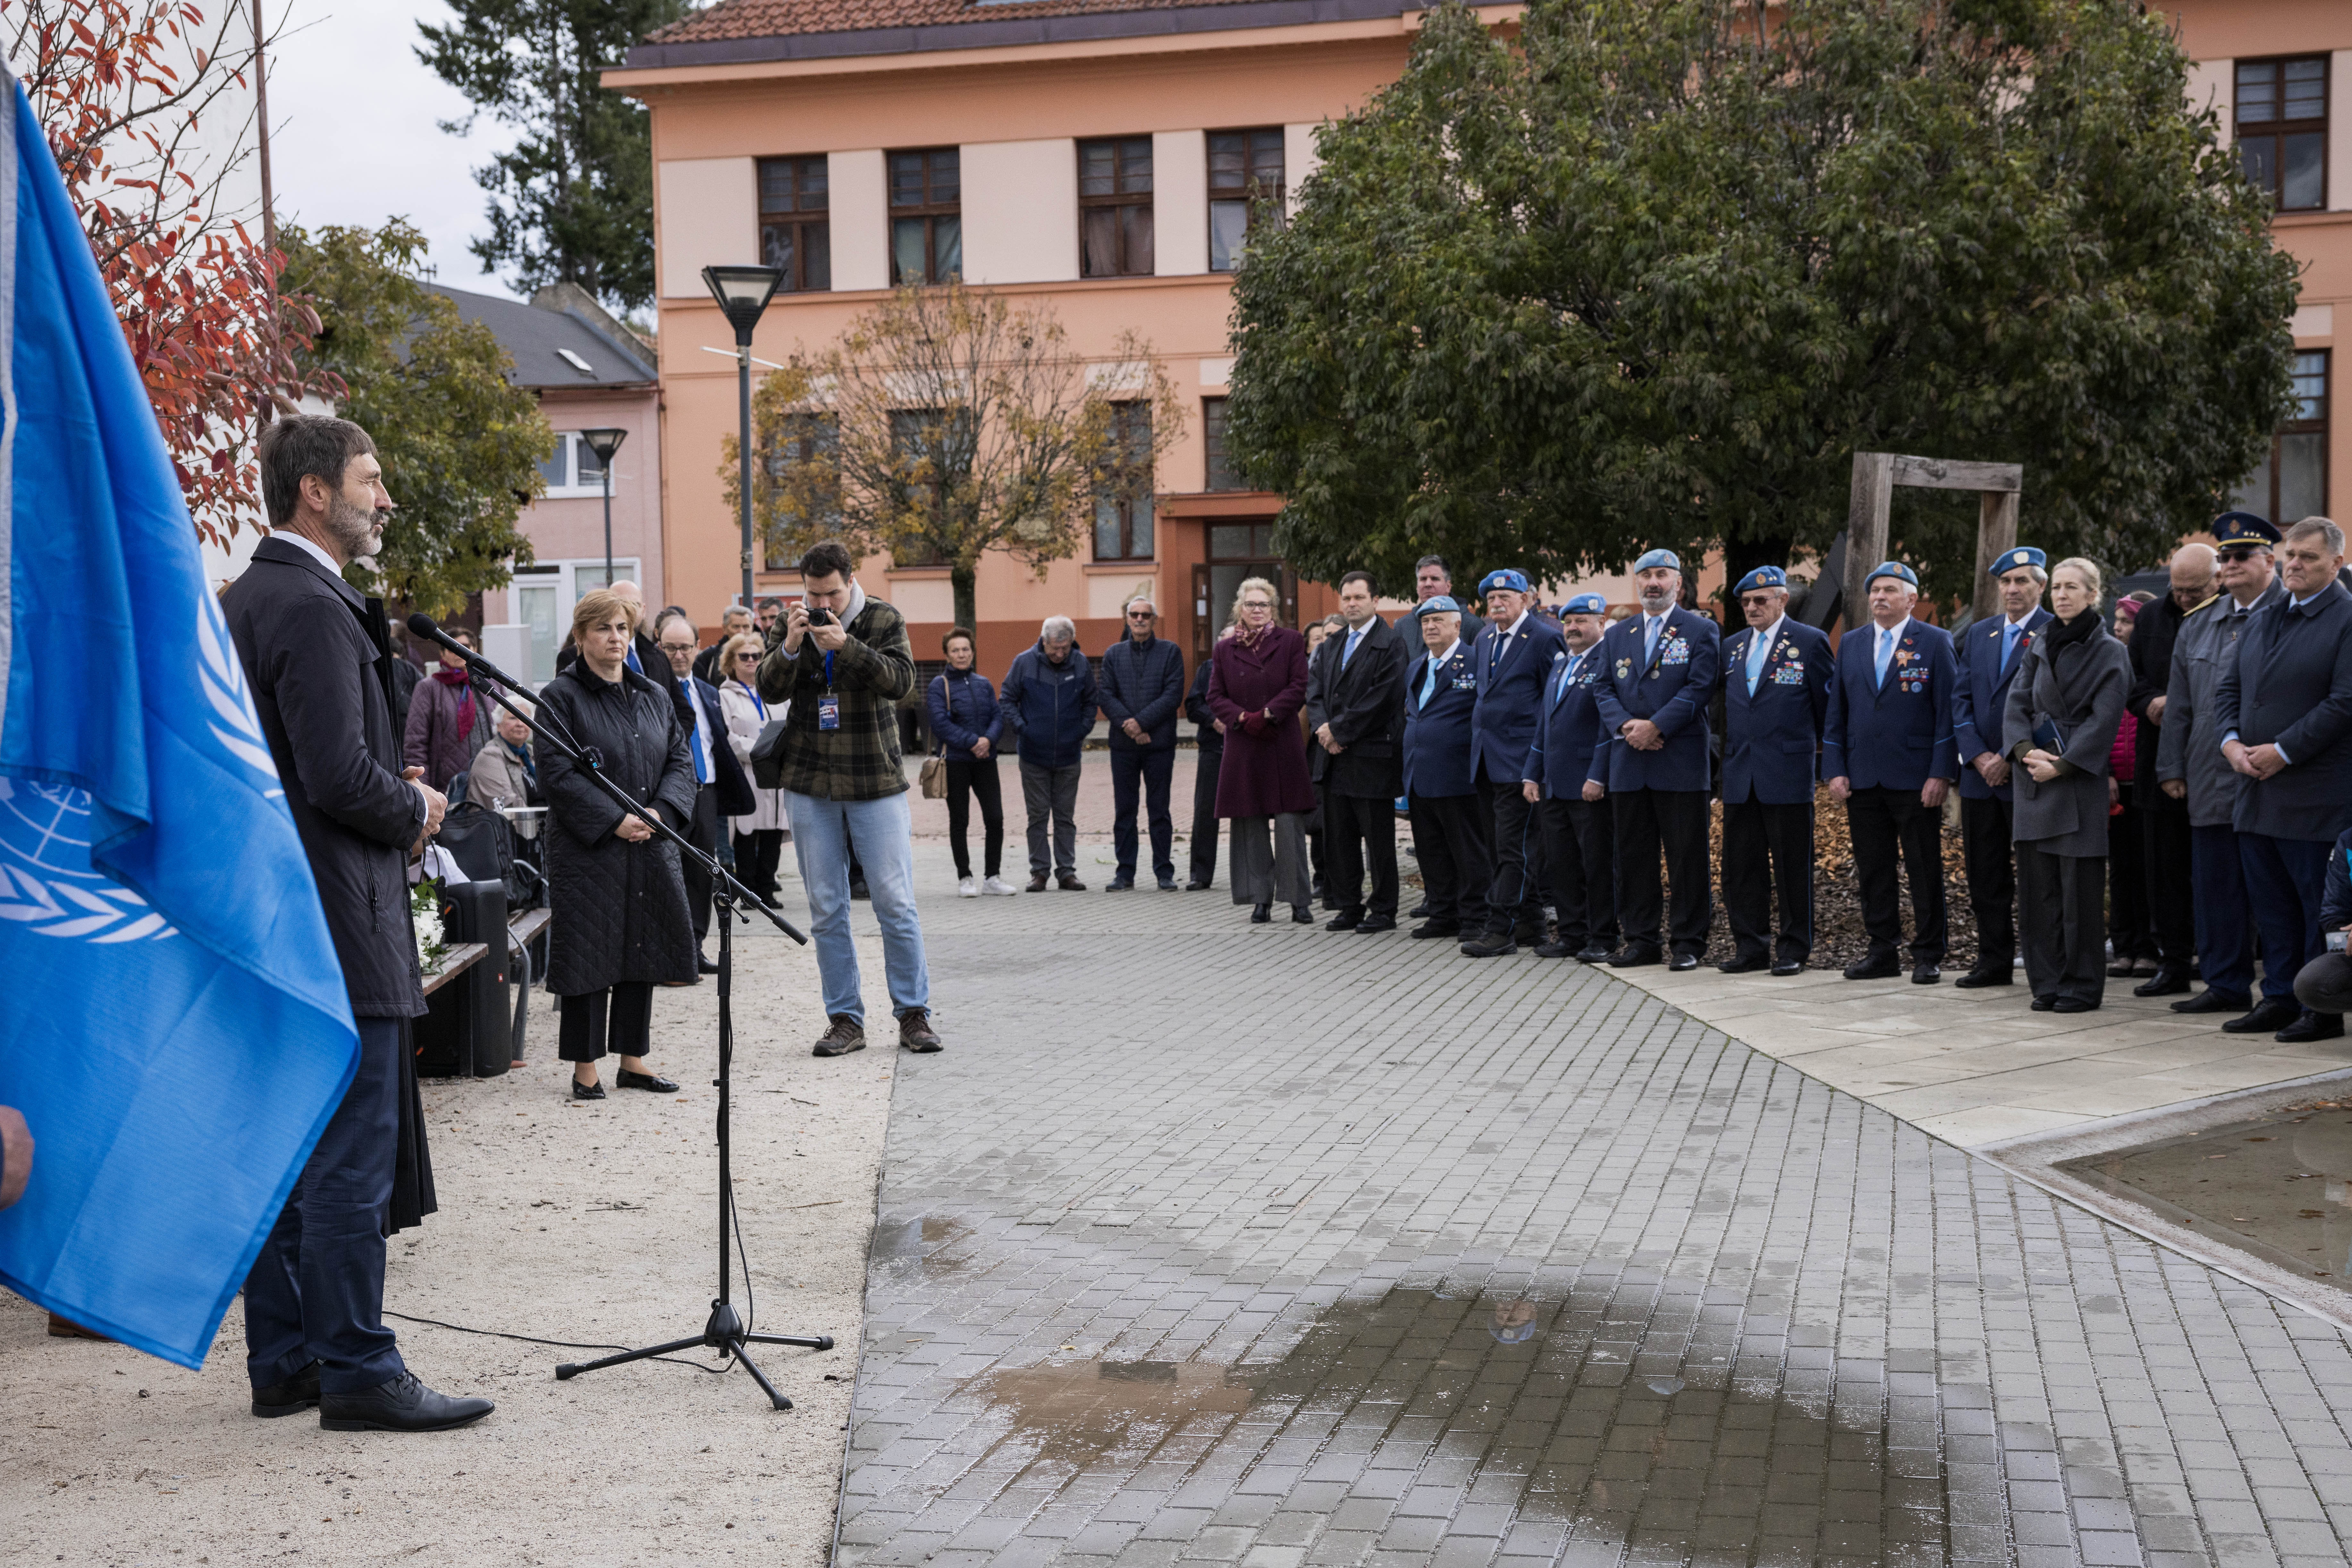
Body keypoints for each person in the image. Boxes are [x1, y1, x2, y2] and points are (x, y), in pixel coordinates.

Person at [220, 413, 490, 1432]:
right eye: (372, 480)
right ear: (316, 493)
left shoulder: (254, 596)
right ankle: (358, 1367)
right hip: (338, 910)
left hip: (282, 912)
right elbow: (335, 777)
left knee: (294, 1147)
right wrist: (414, 808)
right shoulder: (316, 604)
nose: (386, 498)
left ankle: (289, 1357)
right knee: (350, 1147)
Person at [756, 540, 938, 1056]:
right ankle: (845, 1018)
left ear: (851, 580)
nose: (823, 604)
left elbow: (903, 684)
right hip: (811, 782)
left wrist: (847, 647)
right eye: (814, 594)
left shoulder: (883, 617)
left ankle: (913, 1013)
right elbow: (769, 690)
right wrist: (791, 647)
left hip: (874, 780)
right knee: (826, 907)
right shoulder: (793, 621)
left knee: (894, 901)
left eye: (832, 593)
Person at [536, 589, 695, 1096]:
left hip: (650, 840)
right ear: (581, 636)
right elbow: (557, 775)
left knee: (641, 947)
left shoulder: (652, 694)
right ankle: (586, 1067)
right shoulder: (560, 697)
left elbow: (680, 760)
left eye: (623, 628)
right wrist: (614, 820)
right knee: (589, 952)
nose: (616, 638)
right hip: (590, 849)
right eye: (604, 628)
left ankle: (634, 1059)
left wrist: (659, 813)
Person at [2213, 516, 2352, 1044]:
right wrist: (2229, 742)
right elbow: (2228, 688)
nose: (2295, 564)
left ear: (2335, 563)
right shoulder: (2265, 616)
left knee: (2315, 907)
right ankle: (2277, 997)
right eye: (2290, 554)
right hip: (2255, 789)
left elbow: (2343, 703)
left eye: (2308, 557)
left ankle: (2319, 1009)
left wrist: (2285, 751)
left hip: (2315, 796)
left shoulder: (2345, 619)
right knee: (2270, 906)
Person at [2158, 515, 2285, 1018]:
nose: (2231, 566)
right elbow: (2181, 707)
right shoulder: (2198, 624)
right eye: (2225, 558)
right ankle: (2225, 983)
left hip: (2272, 778)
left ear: (2268, 562)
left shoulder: (2288, 614)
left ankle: (2283, 991)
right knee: (2216, 890)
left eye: (2241, 557)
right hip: (2209, 777)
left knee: (2273, 893)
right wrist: (2172, 767)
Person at [1999, 558, 2132, 1011]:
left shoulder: (2110, 649)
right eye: (2057, 587)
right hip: (2033, 775)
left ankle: (2080, 985)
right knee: (2039, 894)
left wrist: (2065, 764)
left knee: (2079, 895)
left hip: (2076, 781)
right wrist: (2023, 751)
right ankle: (2047, 982)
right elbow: (2017, 700)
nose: (2062, 595)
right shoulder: (2040, 639)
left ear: (2093, 594)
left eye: (2072, 587)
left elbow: (2106, 717)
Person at [1823, 561, 1958, 984]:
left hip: (1916, 777)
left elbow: (1948, 713)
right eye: (1875, 590)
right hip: (1863, 775)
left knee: (1923, 867)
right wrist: (1835, 767)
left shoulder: (1935, 642)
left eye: (1890, 590)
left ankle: (1928, 952)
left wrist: (1941, 772)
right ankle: (1882, 949)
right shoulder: (1853, 642)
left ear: (1912, 599)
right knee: (1873, 868)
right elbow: (1837, 711)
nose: (1880, 597)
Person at [1590, 549, 1722, 969]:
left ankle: (1688, 942)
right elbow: (1603, 688)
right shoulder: (1617, 634)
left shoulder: (1700, 630)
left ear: (1678, 583)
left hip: (1679, 761)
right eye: (1645, 575)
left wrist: (1657, 726)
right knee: (1633, 857)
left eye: (1661, 575)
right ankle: (1641, 939)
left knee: (1687, 857)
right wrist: (1629, 726)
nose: (1653, 582)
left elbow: (1701, 686)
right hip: (1629, 761)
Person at [1716, 566, 1833, 975]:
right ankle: (1750, 948)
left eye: (1760, 600)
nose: (1751, 607)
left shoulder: (1809, 642)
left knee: (1790, 868)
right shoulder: (1731, 647)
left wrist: (1825, 765)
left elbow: (1826, 711)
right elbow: (1724, 712)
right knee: (1742, 868)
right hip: (1740, 774)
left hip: (1786, 772)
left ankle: (1793, 950)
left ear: (1782, 600)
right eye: (1746, 602)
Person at [1951, 547, 2053, 988]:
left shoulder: (2054, 631)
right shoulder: (1980, 633)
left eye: (2023, 581)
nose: (2013, 589)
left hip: (2028, 776)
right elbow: (1961, 700)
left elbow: (2049, 707)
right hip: (1980, 779)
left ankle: (2042, 965)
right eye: (2006, 582)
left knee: (2036, 879)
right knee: (1985, 876)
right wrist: (1978, 755)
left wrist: (2009, 756)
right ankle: (1993, 960)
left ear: (2041, 586)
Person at [1460, 569, 1568, 957]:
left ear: (1528, 599)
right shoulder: (1485, 637)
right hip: (1487, 760)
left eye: (1506, 596)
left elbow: (1551, 702)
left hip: (1522, 761)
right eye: (1491, 598)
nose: (1497, 603)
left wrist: (1537, 765)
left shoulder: (1543, 637)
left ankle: (1499, 928)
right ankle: (1532, 926)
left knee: (1513, 849)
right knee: (1500, 846)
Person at [2124, 545, 2213, 998]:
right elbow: (2132, 678)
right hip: (2158, 761)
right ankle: (2172, 961)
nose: (2183, 598)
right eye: (2176, 589)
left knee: (2215, 870)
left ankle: (2216, 962)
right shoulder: (2152, 617)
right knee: (2165, 871)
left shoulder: (2226, 618)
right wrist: (2150, 702)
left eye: (2193, 590)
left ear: (2216, 581)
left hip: (2213, 763)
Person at [1208, 577, 1316, 924]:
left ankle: (1299, 900)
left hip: (1280, 741)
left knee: (1289, 827)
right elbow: (1215, 695)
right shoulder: (1224, 649)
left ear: (1273, 610)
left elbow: (1300, 685)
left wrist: (1269, 714)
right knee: (1250, 825)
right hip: (1244, 745)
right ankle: (1260, 898)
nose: (1257, 610)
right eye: (1251, 605)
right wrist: (1241, 718)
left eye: (1264, 605)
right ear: (1240, 609)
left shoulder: (1290, 641)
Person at [655, 614, 757, 973]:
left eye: (685, 647)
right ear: (659, 648)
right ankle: (670, 950)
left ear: (698, 648)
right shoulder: (652, 691)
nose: (679, 655)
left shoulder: (708, 692)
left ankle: (695, 947)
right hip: (669, 796)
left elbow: (718, 744)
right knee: (670, 873)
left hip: (708, 791)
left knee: (702, 873)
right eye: (671, 648)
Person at [1307, 572, 1409, 932]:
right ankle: (1348, 905)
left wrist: (1340, 730)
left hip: (1371, 757)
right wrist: (1325, 731)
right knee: (1340, 838)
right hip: (1333, 757)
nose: (1352, 603)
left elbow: (1383, 699)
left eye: (1359, 597)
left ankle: (1383, 910)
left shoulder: (1391, 644)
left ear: (1375, 600)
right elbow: (1315, 694)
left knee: (1378, 841)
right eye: (1346, 597)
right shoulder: (1330, 646)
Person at [1522, 593, 1618, 961]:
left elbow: (1608, 728)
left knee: (1596, 864)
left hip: (1588, 785)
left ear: (1601, 624)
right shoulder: (1561, 665)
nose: (1573, 628)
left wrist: (1598, 775)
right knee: (1561, 864)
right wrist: (1531, 773)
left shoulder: (1606, 661)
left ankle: (1603, 936)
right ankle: (1572, 934)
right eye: (1568, 622)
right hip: (1554, 783)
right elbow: (1545, 726)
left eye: (1581, 621)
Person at [1401, 596, 1489, 939]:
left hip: (1458, 775)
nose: (1431, 627)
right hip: (1420, 775)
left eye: (1438, 620)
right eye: (1425, 622)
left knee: (1467, 851)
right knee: (1431, 851)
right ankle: (1442, 914)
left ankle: (1474, 917)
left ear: (1458, 625)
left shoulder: (1475, 660)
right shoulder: (1417, 666)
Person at [1001, 616, 1098, 892]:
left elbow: (1092, 701)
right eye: (1055, 648)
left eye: (1065, 648)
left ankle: (1067, 872)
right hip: (1033, 755)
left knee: (1065, 817)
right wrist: (1022, 728)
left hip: (1069, 755)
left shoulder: (1080, 663)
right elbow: (1007, 698)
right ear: (1043, 641)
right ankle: (1039, 872)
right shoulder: (1024, 663)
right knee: (1038, 816)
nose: (1059, 654)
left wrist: (1082, 729)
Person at [1097, 594, 1187, 892]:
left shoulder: (1170, 652)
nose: (1139, 620)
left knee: (1159, 809)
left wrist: (1143, 723)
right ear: (1126, 618)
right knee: (1125, 810)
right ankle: (1125, 873)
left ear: (1154, 620)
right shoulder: (1113, 654)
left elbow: (1173, 694)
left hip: (1159, 744)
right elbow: (1106, 695)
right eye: (1134, 614)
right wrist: (1131, 727)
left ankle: (1164, 872)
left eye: (1145, 616)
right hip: (1124, 746)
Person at [926, 628, 1017, 897]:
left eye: (966, 649)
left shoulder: (983, 683)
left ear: (973, 652)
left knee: (995, 818)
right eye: (955, 650)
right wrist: (972, 742)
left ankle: (993, 877)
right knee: (960, 820)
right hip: (956, 762)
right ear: (947, 654)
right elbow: (940, 724)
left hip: (986, 761)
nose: (961, 654)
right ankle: (965, 878)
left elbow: (998, 717)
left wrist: (988, 740)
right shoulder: (938, 685)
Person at [2104, 597, 2158, 979]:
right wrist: (2103, 771)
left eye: (2127, 622)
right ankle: (2122, 946)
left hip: (2147, 786)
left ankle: (2148, 948)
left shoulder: (2152, 671)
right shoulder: (2108, 668)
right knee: (2120, 871)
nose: (2119, 628)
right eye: (2116, 620)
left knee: (2149, 869)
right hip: (2113, 786)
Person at [717, 632, 790, 905]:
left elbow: (788, 728)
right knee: (746, 835)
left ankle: (767, 891)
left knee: (772, 833)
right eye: (744, 656)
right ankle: (748, 892)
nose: (751, 661)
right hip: (746, 773)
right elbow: (726, 737)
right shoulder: (724, 696)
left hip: (775, 776)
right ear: (731, 662)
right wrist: (761, 750)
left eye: (757, 656)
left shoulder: (777, 694)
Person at [402, 627, 493, 794]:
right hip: (448, 789)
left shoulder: (491, 685)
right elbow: (416, 744)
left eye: (465, 646)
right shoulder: (428, 688)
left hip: (491, 783)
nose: (458, 652)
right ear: (443, 654)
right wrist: (425, 792)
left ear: (475, 650)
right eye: (452, 648)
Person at [1183, 635, 1228, 891]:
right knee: (1205, 811)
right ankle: (1200, 874)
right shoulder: (1208, 669)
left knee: (1251, 813)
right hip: (1213, 748)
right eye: (1223, 639)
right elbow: (1192, 705)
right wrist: (1214, 721)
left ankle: (1255, 873)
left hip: (1247, 749)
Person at [466, 703, 540, 812]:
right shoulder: (490, 756)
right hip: (512, 825)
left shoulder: (534, 753)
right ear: (498, 725)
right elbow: (507, 804)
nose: (520, 724)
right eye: (513, 718)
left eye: (525, 718)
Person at [1414, 556, 1488, 645]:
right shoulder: (1403, 626)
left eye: (1435, 579)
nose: (1428, 584)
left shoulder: (1472, 626)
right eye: (1423, 579)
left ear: (1448, 586)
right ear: (1417, 586)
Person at [694, 605, 754, 685]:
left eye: (746, 627)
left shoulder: (762, 655)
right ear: (725, 629)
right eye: (736, 627)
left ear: (752, 628)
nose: (742, 632)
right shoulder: (710, 656)